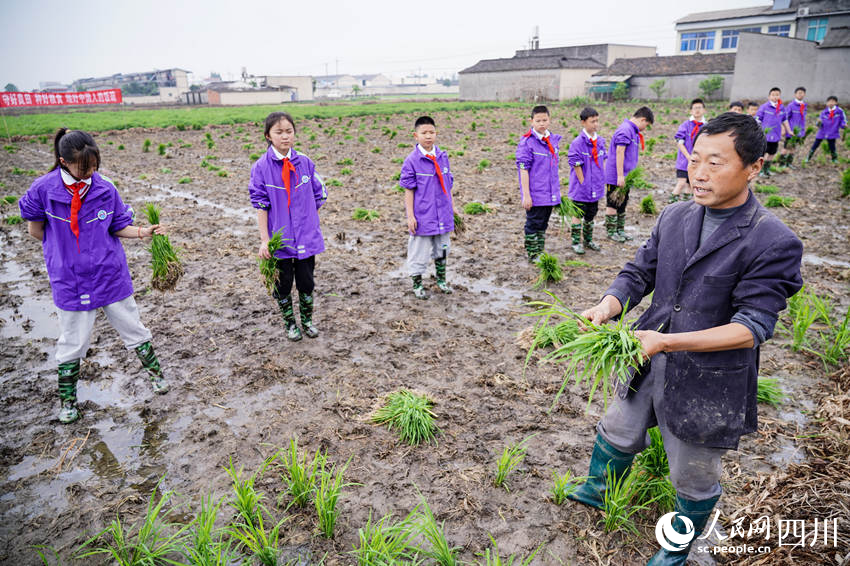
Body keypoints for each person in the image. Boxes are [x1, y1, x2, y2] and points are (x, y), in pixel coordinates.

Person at [566, 113, 803, 565]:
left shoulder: (772, 240)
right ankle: (597, 490)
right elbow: (639, 273)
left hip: (708, 379)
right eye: (694, 159)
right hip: (646, 358)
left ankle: (674, 551)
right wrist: (607, 306)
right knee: (619, 428)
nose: (698, 173)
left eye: (716, 162)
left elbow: (750, 327)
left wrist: (667, 343)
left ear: (754, 167)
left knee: (694, 475)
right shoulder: (675, 216)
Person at [18, 129, 170, 424]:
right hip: (70, 279)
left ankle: (157, 377)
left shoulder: (104, 188)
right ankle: (68, 402)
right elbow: (36, 231)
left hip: (109, 275)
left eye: (94, 166)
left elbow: (117, 226)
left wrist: (143, 233)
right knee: (73, 341)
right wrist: (64, 253)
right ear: (63, 161)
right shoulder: (43, 190)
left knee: (133, 327)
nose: (89, 172)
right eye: (82, 167)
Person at [250, 111, 327, 340]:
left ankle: (307, 321)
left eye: (289, 131)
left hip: (306, 237)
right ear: (268, 136)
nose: (285, 137)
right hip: (279, 240)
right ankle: (290, 324)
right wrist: (266, 240)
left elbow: (319, 195)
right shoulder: (261, 168)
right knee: (282, 285)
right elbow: (261, 205)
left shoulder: (305, 163)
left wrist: (308, 222)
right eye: (279, 132)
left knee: (306, 282)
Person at [400, 115, 457, 299]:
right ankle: (417, 284)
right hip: (423, 215)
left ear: (436, 134)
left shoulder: (442, 156)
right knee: (419, 252)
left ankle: (441, 281)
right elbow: (408, 191)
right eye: (424, 133)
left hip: (443, 213)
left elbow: (448, 185)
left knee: (442, 248)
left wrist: (453, 209)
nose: (428, 136)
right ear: (415, 136)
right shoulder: (412, 161)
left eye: (431, 132)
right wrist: (410, 216)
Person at [516, 105, 562, 261]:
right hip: (536, 193)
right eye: (538, 120)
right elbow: (523, 170)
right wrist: (526, 195)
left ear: (549, 120)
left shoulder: (552, 140)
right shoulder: (527, 143)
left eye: (545, 120)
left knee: (543, 223)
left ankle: (540, 251)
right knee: (533, 223)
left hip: (549, 192)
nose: (542, 123)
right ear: (531, 121)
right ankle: (532, 253)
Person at [603, 106, 654, 242]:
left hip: (626, 176)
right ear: (642, 119)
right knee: (613, 203)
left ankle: (620, 230)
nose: (645, 128)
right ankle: (611, 231)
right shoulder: (625, 130)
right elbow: (620, 152)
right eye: (646, 125)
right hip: (616, 176)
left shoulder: (633, 131)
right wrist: (620, 175)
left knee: (622, 202)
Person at [566, 106, 606, 254]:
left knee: (591, 214)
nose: (595, 124)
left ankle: (588, 240)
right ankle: (576, 242)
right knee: (578, 214)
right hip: (581, 188)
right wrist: (583, 182)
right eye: (592, 122)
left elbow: (602, 161)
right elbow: (576, 164)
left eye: (597, 121)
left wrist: (601, 180)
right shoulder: (577, 143)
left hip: (596, 186)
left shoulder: (600, 141)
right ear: (583, 122)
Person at [670, 98, 707, 202]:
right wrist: (688, 157)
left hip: (699, 162)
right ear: (691, 111)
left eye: (699, 108)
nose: (697, 110)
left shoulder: (707, 126)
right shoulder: (685, 125)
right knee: (681, 183)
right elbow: (679, 142)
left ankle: (686, 206)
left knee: (691, 185)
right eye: (695, 108)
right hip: (684, 161)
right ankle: (671, 204)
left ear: (704, 110)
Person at [755, 87, 791, 176]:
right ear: (769, 96)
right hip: (765, 136)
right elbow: (757, 119)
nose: (775, 97)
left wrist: (788, 130)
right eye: (773, 95)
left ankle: (766, 169)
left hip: (776, 135)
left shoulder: (782, 108)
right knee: (762, 154)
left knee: (772, 153)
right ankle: (760, 171)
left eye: (777, 95)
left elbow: (785, 120)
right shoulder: (764, 107)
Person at [805, 96, 846, 164]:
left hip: (832, 131)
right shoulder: (824, 112)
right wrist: (818, 123)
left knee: (832, 146)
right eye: (829, 101)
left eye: (833, 101)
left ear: (836, 102)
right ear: (827, 103)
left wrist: (843, 125)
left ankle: (834, 159)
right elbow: (818, 124)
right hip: (823, 131)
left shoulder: (839, 111)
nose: (831, 103)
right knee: (815, 144)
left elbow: (843, 120)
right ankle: (808, 157)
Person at [779, 86, 807, 168]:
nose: (801, 95)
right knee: (786, 147)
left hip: (799, 131)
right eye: (799, 93)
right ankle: (782, 163)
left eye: (802, 93)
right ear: (795, 94)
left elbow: (803, 119)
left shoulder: (804, 106)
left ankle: (789, 163)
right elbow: (785, 118)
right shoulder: (791, 105)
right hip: (791, 131)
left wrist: (802, 131)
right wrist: (784, 129)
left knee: (793, 148)